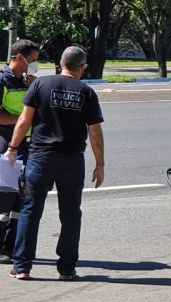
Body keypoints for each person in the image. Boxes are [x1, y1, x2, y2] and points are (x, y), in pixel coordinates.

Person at [4, 46, 105, 280]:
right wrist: (100, 164)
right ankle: (67, 269)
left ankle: (21, 267)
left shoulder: (41, 85)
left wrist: (12, 148)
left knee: (30, 210)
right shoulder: (86, 92)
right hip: (71, 161)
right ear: (83, 68)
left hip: (40, 158)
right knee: (70, 214)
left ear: (60, 63)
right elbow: (95, 132)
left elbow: (24, 120)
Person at [0, 39, 39, 265]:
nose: (33, 65)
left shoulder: (27, 81)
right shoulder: (2, 81)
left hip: (26, 145)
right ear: (18, 57)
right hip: (6, 144)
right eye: (31, 61)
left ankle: (11, 245)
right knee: (5, 197)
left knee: (21, 198)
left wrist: (34, 87)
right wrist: (22, 120)